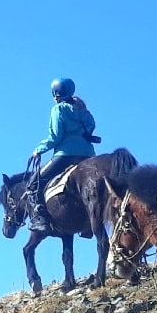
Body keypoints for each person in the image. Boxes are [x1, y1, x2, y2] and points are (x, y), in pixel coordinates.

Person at [27, 77, 98, 233]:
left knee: (33, 184)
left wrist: (38, 150)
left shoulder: (57, 109)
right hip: (88, 155)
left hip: (66, 155)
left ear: (55, 92)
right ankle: (88, 226)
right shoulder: (81, 108)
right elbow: (91, 125)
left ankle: (41, 220)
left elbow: (55, 136)